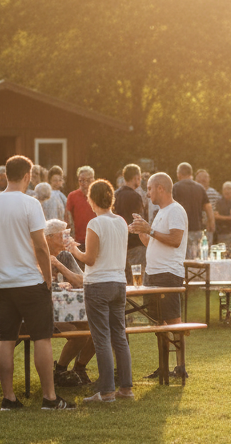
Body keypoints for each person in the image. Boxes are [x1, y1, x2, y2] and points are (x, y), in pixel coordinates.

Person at [0, 154, 75, 411]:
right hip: (30, 281)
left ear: (5, 175)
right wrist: (48, 278)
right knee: (42, 338)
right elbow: (42, 247)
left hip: (2, 283)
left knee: (6, 339)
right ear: (28, 176)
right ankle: (50, 398)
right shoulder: (30, 204)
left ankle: (8, 399)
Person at [68, 180, 134, 403]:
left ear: (92, 200)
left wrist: (73, 249)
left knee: (102, 338)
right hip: (118, 282)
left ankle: (106, 391)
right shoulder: (121, 222)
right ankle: (126, 388)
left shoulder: (95, 224)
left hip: (98, 284)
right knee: (119, 336)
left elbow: (90, 258)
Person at [128, 173, 187, 378]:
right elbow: (153, 242)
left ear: (161, 188)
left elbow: (175, 240)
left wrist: (150, 230)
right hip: (152, 274)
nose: (147, 192)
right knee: (157, 322)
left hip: (168, 273)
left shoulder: (176, 210)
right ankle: (163, 367)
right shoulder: (161, 211)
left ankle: (180, 367)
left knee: (173, 320)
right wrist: (142, 232)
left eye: (150, 188)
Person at [44, 219, 96, 386]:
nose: (67, 237)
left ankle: (78, 369)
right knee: (79, 335)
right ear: (49, 237)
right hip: (45, 311)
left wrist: (59, 265)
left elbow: (81, 281)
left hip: (68, 309)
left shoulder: (65, 256)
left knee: (96, 328)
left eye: (67, 234)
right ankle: (60, 371)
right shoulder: (38, 253)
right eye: (63, 235)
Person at [172, 162, 214, 259]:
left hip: (181, 230)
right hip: (197, 229)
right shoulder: (200, 188)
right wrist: (211, 223)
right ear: (191, 173)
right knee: (197, 258)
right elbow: (208, 208)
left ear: (179, 174)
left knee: (183, 259)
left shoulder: (176, 187)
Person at [113, 163, 147, 285]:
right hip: (135, 242)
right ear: (136, 178)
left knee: (124, 278)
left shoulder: (115, 195)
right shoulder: (136, 196)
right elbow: (139, 220)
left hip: (120, 242)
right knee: (138, 278)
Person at [66, 166, 97, 256]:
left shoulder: (98, 196)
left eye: (88, 180)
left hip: (96, 241)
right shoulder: (72, 196)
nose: (85, 184)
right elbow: (67, 218)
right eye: (81, 180)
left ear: (93, 180)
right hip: (79, 242)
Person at [213, 181, 231, 248]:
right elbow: (216, 216)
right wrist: (230, 218)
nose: (227, 191)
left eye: (229, 189)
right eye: (225, 189)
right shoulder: (219, 202)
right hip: (221, 232)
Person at [195, 169, 221, 243]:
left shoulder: (214, 193)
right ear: (196, 179)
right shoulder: (193, 192)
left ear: (209, 179)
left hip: (209, 226)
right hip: (195, 226)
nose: (203, 179)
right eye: (200, 177)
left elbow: (218, 209)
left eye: (205, 177)